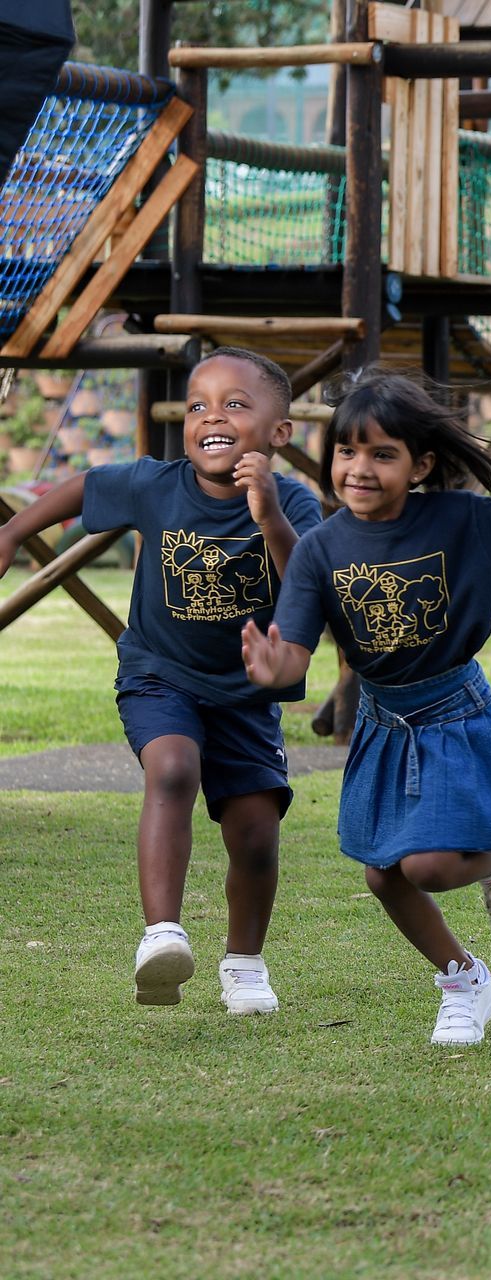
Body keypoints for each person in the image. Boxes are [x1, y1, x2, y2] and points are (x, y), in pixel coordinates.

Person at [239, 375, 491, 1045]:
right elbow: (295, 658)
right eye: (346, 452)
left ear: (420, 464)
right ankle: (464, 982)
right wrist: (270, 666)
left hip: (460, 713)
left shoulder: (459, 519)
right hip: (384, 724)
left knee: (425, 865)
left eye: (382, 454)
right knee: (383, 874)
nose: (359, 469)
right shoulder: (319, 550)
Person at [0, 348, 322, 1013]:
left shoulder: (295, 502)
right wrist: (11, 532)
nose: (213, 416)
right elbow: (84, 488)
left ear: (280, 432)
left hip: (246, 692)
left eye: (236, 404)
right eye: (198, 405)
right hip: (159, 671)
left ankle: (245, 963)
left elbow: (309, 586)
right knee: (172, 767)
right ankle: (163, 936)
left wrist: (270, 518)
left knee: (256, 832)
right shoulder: (156, 484)